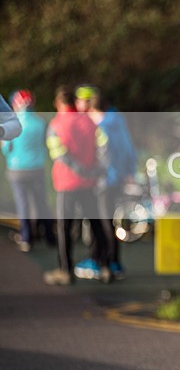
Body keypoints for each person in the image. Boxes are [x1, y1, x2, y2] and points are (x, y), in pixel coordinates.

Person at [43, 86, 111, 285]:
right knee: (96, 223)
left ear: (57, 103)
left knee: (65, 227)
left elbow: (59, 154)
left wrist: (78, 169)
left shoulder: (56, 124)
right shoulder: (89, 121)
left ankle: (65, 270)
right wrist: (95, 170)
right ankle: (105, 266)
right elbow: (104, 145)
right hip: (89, 182)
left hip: (67, 183)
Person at [75, 85, 136, 280]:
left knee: (102, 223)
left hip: (103, 181)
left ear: (93, 110)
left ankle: (103, 262)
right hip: (116, 179)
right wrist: (128, 171)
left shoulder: (102, 127)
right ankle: (113, 262)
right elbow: (128, 149)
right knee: (108, 221)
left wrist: (92, 173)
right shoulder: (117, 121)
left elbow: (103, 158)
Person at [1, 90, 55, 251]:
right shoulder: (40, 122)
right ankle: (50, 236)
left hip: (17, 169)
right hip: (37, 168)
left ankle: (27, 238)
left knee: (23, 205)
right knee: (41, 203)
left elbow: (7, 149)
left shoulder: (14, 123)